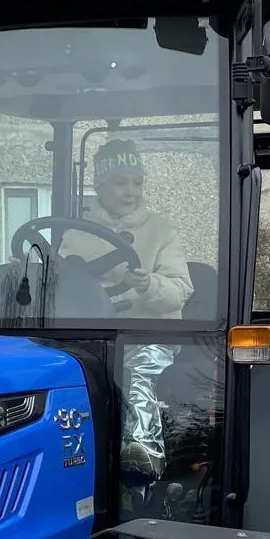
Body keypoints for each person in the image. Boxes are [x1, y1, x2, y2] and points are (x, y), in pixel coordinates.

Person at [58, 138, 192, 480]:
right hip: (91, 335)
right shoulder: (77, 233)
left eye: (137, 182)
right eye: (121, 182)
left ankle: (142, 454)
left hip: (148, 333)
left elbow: (179, 290)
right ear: (101, 186)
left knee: (138, 373)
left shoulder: (161, 230)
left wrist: (151, 286)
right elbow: (61, 279)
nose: (131, 191)